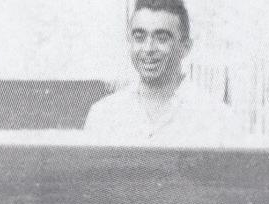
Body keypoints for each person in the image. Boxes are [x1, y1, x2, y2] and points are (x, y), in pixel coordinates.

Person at [83, 0, 239, 147]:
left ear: (185, 47)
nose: (148, 48)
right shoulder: (103, 115)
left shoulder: (217, 119)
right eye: (139, 37)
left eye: (162, 38)